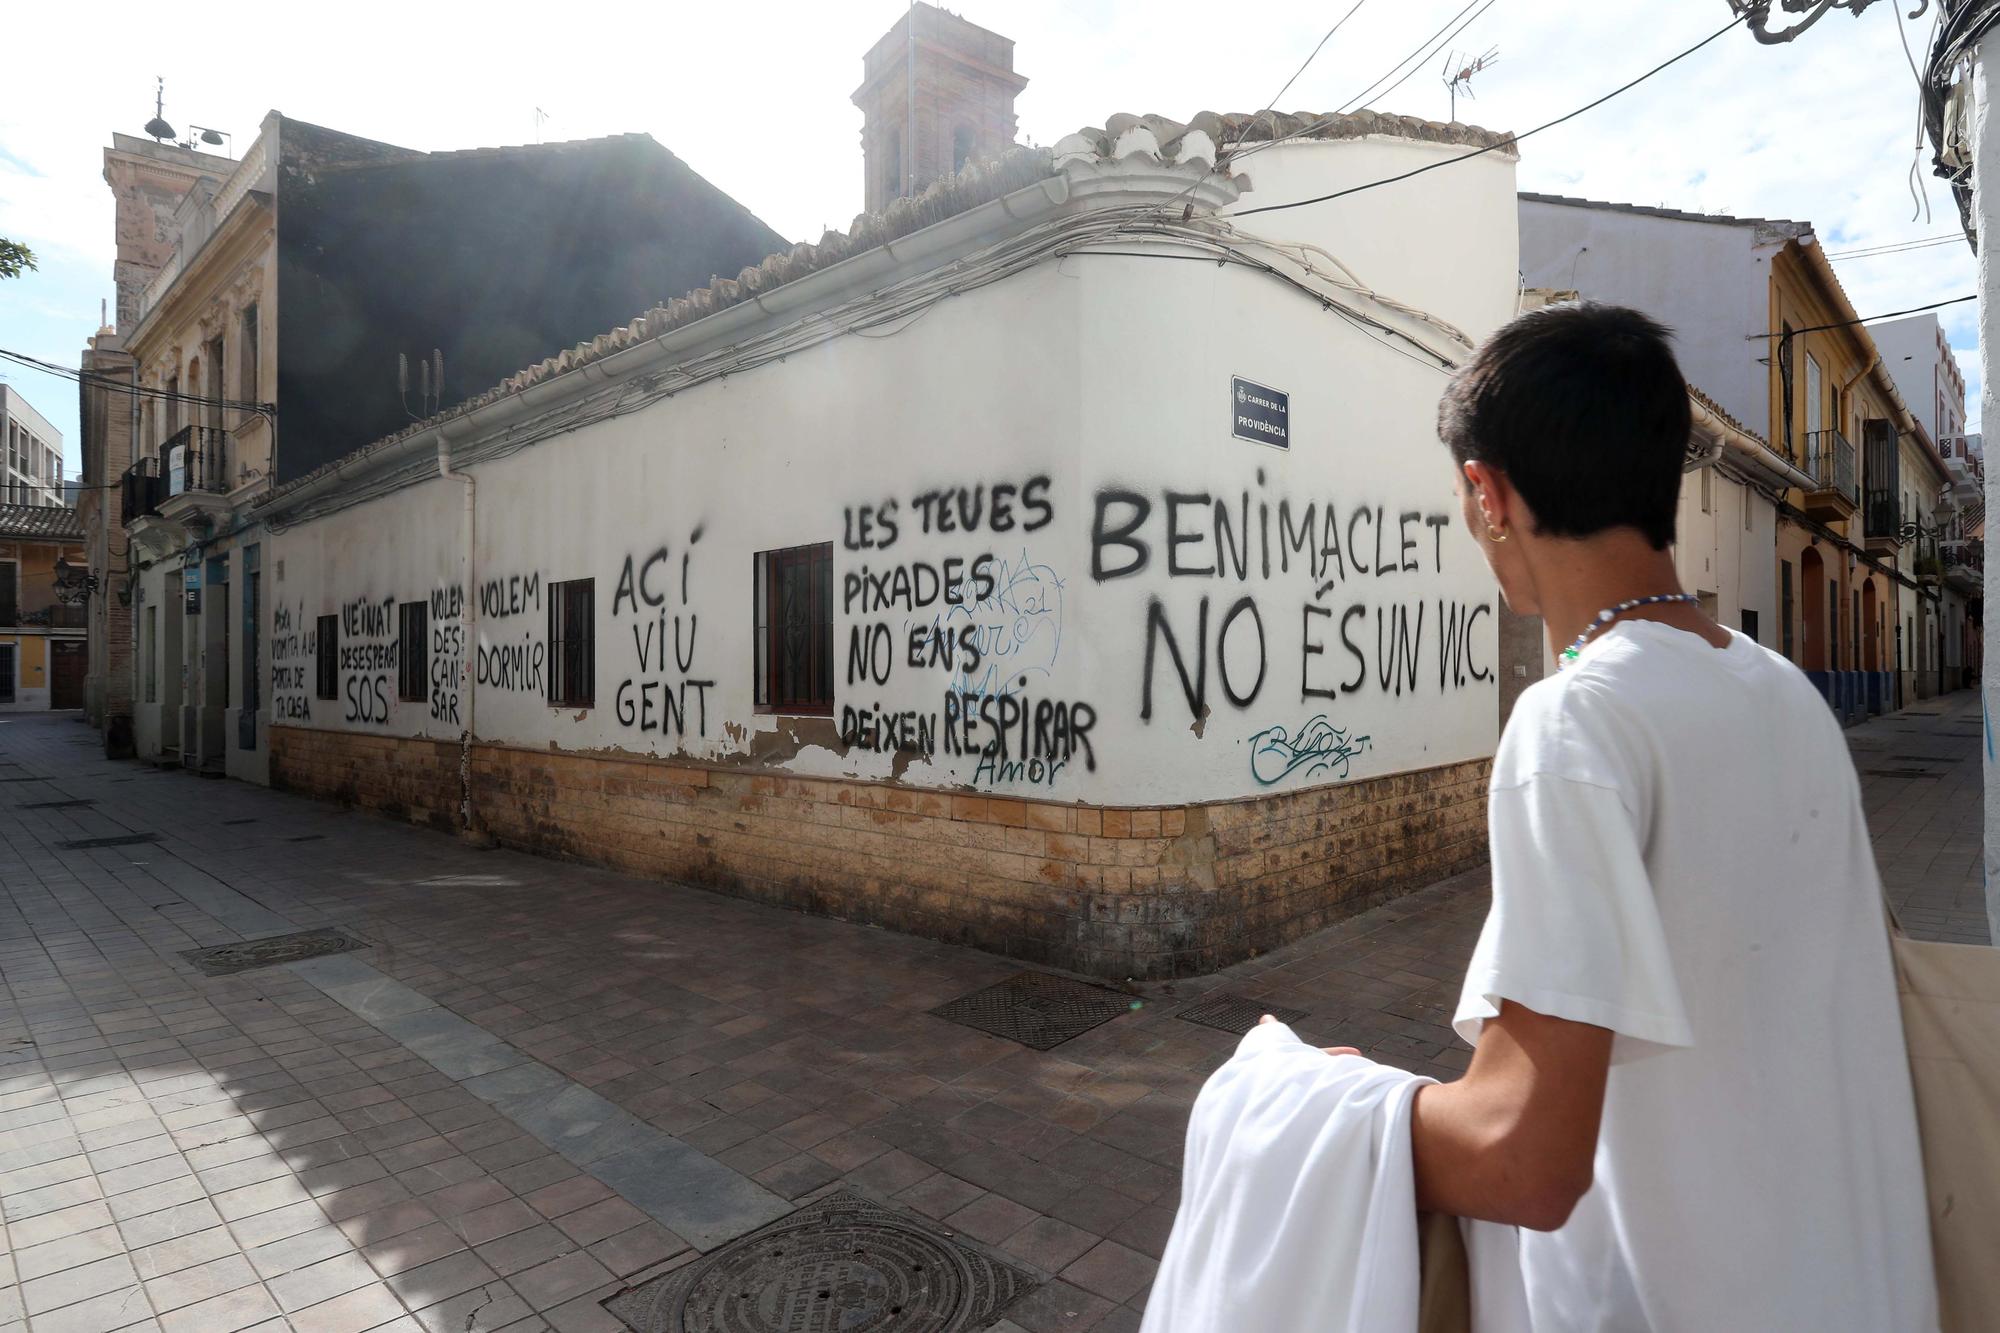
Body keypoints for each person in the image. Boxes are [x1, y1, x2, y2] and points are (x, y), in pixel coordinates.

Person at [1412, 302, 1936, 1330]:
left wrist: (1299, 1104)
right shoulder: (1784, 691)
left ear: (1487, 492)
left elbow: (1520, 1157)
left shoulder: (1572, 725)